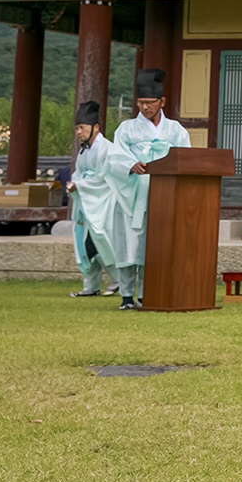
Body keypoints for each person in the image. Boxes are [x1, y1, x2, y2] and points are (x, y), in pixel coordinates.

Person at [110, 69, 191, 310]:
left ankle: (147, 295)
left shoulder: (176, 130)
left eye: (149, 102)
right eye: (141, 103)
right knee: (128, 244)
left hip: (161, 195)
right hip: (132, 195)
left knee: (152, 246)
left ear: (162, 102)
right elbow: (114, 158)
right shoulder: (126, 129)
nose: (144, 107)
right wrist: (129, 164)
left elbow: (185, 159)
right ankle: (126, 296)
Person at [66, 101, 122, 298]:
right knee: (83, 241)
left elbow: (103, 179)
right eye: (77, 128)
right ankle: (91, 285)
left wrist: (79, 186)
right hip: (87, 201)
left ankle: (117, 279)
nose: (79, 132)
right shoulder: (84, 150)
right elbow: (78, 173)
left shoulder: (105, 148)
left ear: (96, 127)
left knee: (98, 238)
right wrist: (73, 184)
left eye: (82, 127)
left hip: (104, 201)